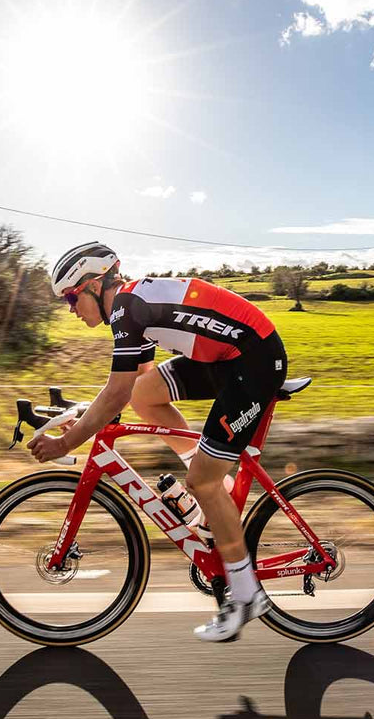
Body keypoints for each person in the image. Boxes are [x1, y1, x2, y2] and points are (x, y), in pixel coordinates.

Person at [27, 241, 286, 642]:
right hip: (230, 357)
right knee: (145, 395)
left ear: (94, 284)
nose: (71, 309)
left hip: (254, 361)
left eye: (71, 298)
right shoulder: (132, 305)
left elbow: (115, 392)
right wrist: (86, 416)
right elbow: (135, 383)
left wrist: (66, 444)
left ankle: (246, 595)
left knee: (201, 481)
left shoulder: (126, 307)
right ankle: (216, 486)